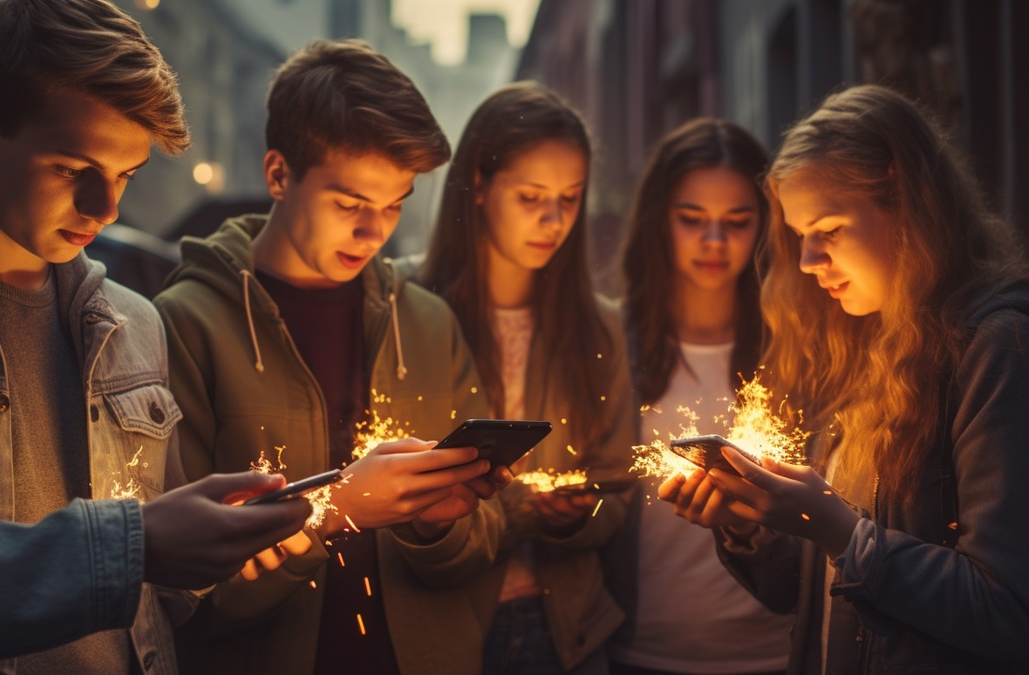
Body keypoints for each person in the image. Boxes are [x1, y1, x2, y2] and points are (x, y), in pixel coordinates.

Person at [0, 1, 311, 672]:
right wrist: (131, 545)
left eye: (125, 176)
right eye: (70, 167)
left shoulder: (136, 323)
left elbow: (160, 591)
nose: (107, 208)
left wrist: (216, 547)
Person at [153, 39, 505, 675]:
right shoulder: (185, 326)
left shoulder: (428, 324)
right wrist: (333, 515)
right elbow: (181, 595)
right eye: (350, 204)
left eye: (394, 205)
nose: (375, 232)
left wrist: (435, 527)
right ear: (279, 174)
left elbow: (484, 546)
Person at [660, 84, 1029, 672]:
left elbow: (1007, 612)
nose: (807, 262)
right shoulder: (862, 345)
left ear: (906, 201)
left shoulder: (995, 348)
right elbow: (801, 594)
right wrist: (748, 525)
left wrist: (838, 529)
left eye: (828, 230)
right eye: (800, 235)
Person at [413, 81, 635, 675]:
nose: (554, 219)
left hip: (568, 633)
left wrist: (579, 514)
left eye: (571, 197)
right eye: (532, 196)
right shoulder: (405, 305)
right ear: (480, 186)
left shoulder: (598, 327)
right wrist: (520, 515)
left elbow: (618, 490)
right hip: (443, 627)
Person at [606, 118, 792, 674]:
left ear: (766, 225)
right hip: (640, 649)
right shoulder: (613, 344)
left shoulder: (796, 347)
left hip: (778, 648)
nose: (714, 242)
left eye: (737, 221)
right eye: (692, 220)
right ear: (659, 222)